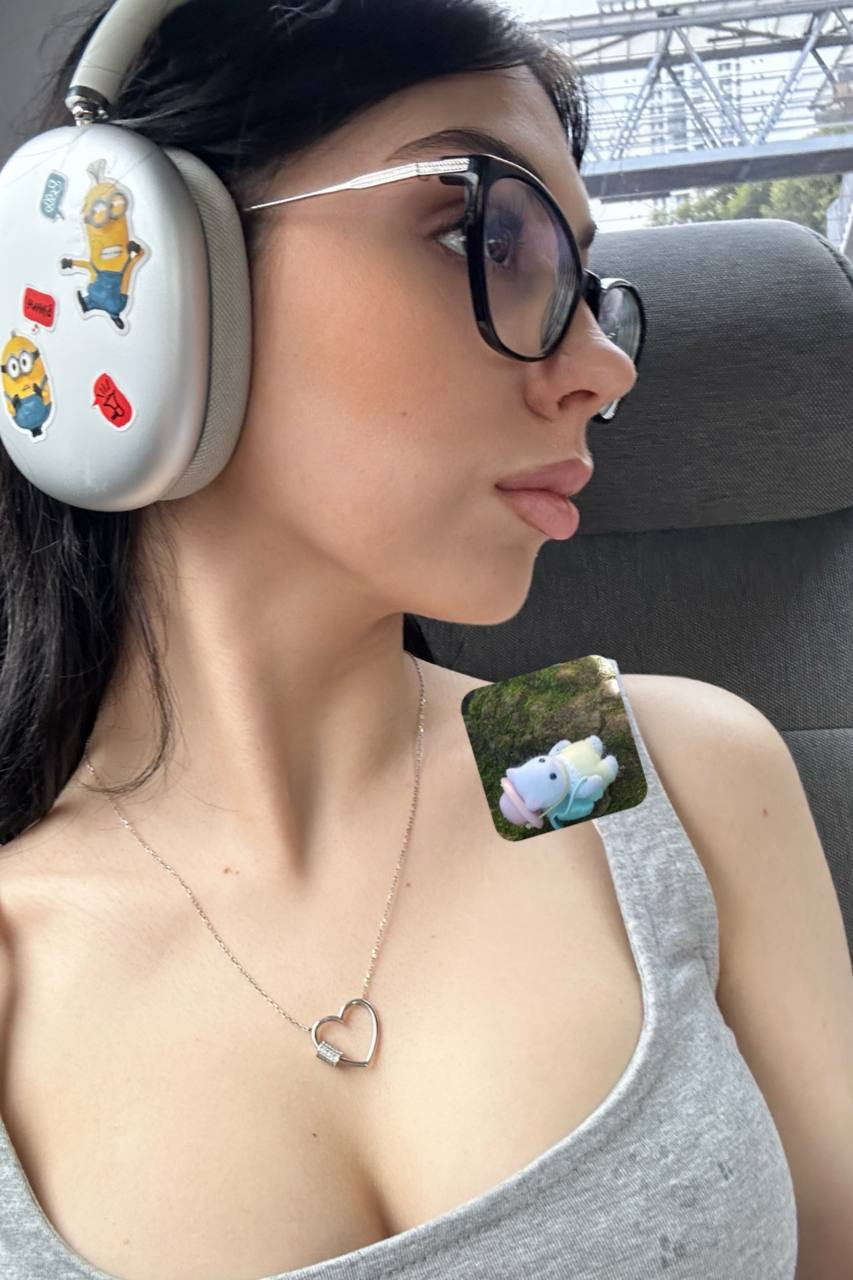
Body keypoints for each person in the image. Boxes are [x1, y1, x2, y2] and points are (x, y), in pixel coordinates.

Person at [0, 2, 814, 1278]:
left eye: (584, 283)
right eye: (487, 235)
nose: (603, 369)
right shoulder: (20, 940)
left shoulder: (628, 758)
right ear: (148, 280)